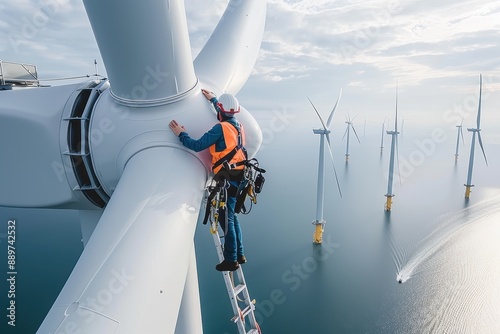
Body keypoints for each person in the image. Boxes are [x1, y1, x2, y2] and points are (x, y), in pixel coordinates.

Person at [169, 89, 247, 272]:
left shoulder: (220, 128)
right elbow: (223, 113)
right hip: (239, 177)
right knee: (232, 218)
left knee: (226, 220)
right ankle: (240, 254)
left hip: (226, 179)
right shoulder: (238, 127)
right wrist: (214, 100)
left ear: (220, 110)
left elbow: (196, 145)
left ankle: (231, 260)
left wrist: (181, 134)